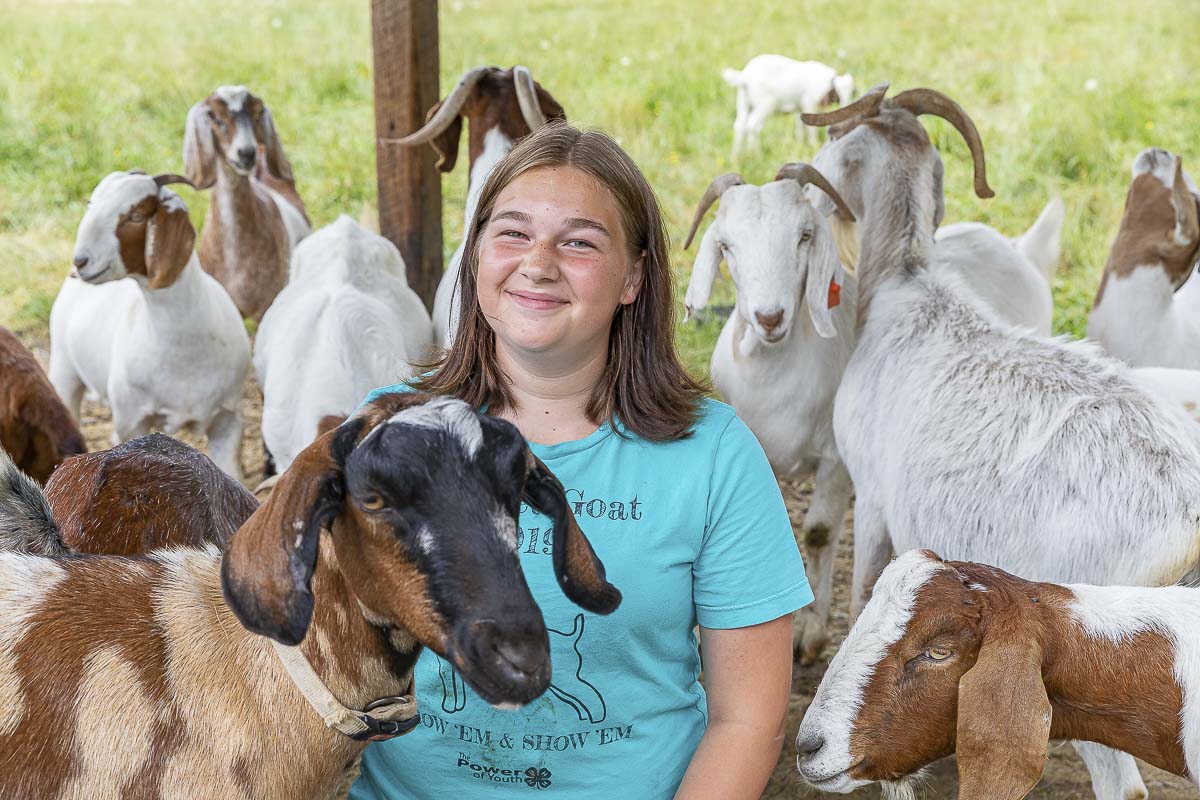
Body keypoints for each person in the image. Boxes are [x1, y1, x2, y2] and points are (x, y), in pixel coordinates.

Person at [350, 122, 811, 799]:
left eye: (578, 242)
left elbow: (749, 719)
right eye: (511, 233)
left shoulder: (712, 455)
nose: (537, 262)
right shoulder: (389, 430)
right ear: (476, 256)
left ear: (633, 277)